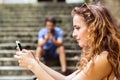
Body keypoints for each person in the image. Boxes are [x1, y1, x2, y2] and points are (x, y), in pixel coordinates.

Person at [14, 3, 120, 80]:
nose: (73, 34)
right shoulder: (97, 55)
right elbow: (66, 79)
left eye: (77, 28)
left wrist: (33, 65)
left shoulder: (104, 57)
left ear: (94, 28)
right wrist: (37, 62)